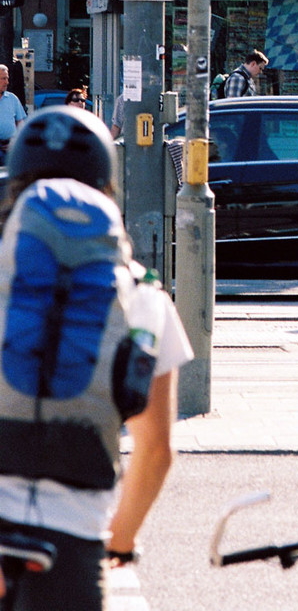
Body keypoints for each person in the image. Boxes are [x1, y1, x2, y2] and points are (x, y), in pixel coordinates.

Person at [0, 107, 193, 611]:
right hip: (72, 537)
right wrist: (121, 540)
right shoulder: (145, 299)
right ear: (108, 187)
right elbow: (156, 452)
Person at [0, 63, 26, 165]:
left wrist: (16, 141)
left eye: (7, 78)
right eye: (3, 79)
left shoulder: (12, 99)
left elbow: (21, 123)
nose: (7, 82)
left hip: (10, 148)